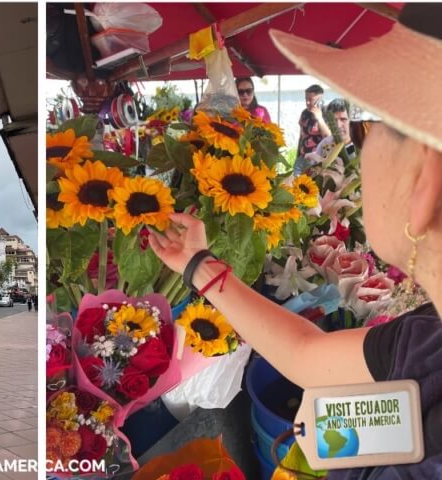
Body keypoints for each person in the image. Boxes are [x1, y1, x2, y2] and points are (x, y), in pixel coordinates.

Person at [151, 5, 442, 476]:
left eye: (371, 128)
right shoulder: (426, 336)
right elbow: (308, 356)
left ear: (426, 180)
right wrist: (197, 263)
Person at [296, 84, 332, 160]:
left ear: (319, 99)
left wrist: (319, 118)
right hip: (303, 158)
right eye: (306, 99)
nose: (307, 102)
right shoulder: (304, 113)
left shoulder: (327, 113)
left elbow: (329, 137)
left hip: (318, 159)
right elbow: (301, 136)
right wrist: (298, 156)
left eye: (310, 99)